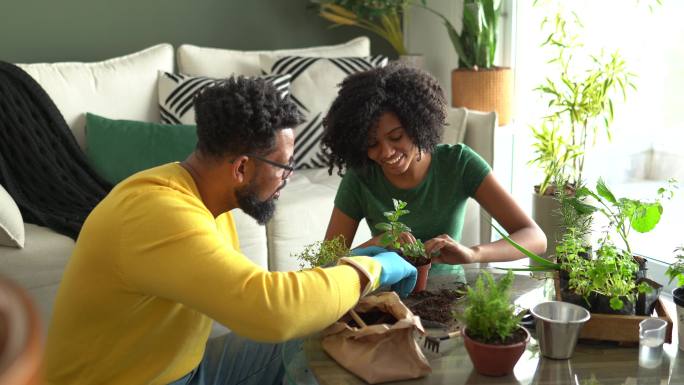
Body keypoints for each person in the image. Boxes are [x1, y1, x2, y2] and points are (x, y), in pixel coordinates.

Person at [43, 77, 417, 385]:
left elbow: (256, 296)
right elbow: (274, 311)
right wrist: (373, 270)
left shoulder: (202, 197)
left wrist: (347, 265)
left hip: (179, 368)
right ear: (240, 168)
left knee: (315, 334)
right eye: (284, 166)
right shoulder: (160, 214)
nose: (288, 178)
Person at [321, 63, 547, 273]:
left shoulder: (458, 163)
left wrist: (472, 254)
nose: (386, 152)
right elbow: (326, 264)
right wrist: (374, 246)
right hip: (387, 299)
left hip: (449, 297)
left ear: (417, 124)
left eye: (396, 136)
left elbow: (535, 237)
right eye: (372, 144)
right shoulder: (360, 177)